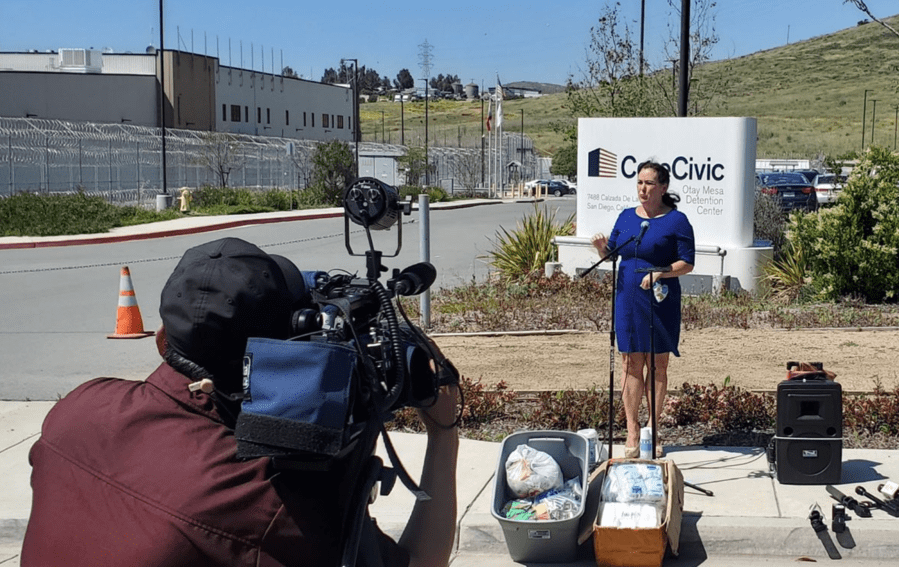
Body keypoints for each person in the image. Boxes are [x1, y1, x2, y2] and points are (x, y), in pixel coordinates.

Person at [22, 237, 459, 567]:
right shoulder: (262, 501)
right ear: (280, 359)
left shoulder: (77, 408)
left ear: (161, 341)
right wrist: (443, 431)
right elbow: (419, 561)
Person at [591, 161, 695, 458]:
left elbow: (687, 263)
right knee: (629, 363)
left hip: (660, 299)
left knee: (657, 364)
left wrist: (661, 272)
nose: (642, 189)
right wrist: (601, 248)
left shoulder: (677, 221)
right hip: (627, 297)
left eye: (649, 183)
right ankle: (633, 431)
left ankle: (654, 430)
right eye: (639, 183)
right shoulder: (626, 217)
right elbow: (612, 254)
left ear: (663, 187)